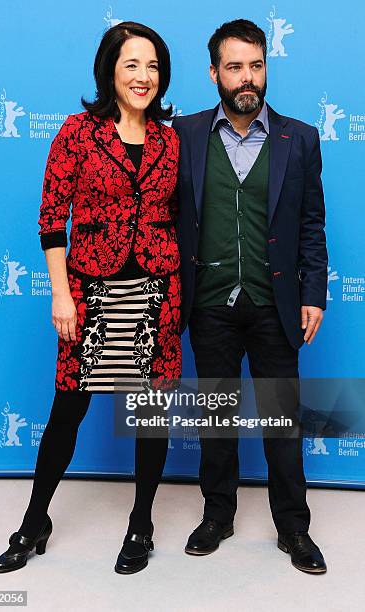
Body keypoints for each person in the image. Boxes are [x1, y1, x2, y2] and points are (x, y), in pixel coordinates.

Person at [0, 21, 181, 576]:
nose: (143, 77)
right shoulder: (76, 133)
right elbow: (52, 222)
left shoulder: (171, 139)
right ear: (109, 71)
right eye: (132, 65)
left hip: (157, 292)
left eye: (152, 66)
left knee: (151, 415)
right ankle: (33, 523)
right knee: (66, 413)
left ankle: (141, 523)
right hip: (91, 291)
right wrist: (62, 294)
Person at [172, 19, 328, 574]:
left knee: (281, 421)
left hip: (274, 305)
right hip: (209, 303)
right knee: (216, 419)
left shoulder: (300, 138)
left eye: (256, 65)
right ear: (214, 72)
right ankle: (218, 515)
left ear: (266, 68)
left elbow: (312, 224)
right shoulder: (184, 133)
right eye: (234, 66)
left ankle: (294, 526)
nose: (247, 77)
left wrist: (315, 293)